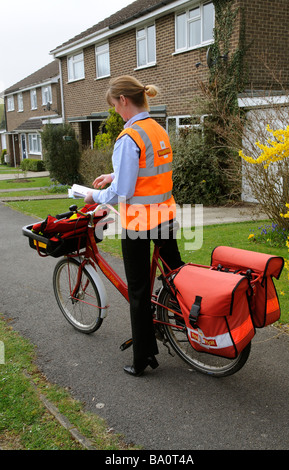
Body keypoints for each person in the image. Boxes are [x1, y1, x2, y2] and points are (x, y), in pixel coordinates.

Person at [85, 75, 183, 377]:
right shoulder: (157, 129)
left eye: (114, 105)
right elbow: (149, 171)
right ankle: (192, 324)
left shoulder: (129, 138)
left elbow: (123, 193)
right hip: (165, 216)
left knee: (139, 291)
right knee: (176, 277)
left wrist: (93, 194)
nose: (115, 110)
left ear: (123, 101)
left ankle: (142, 358)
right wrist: (113, 176)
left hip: (138, 222)